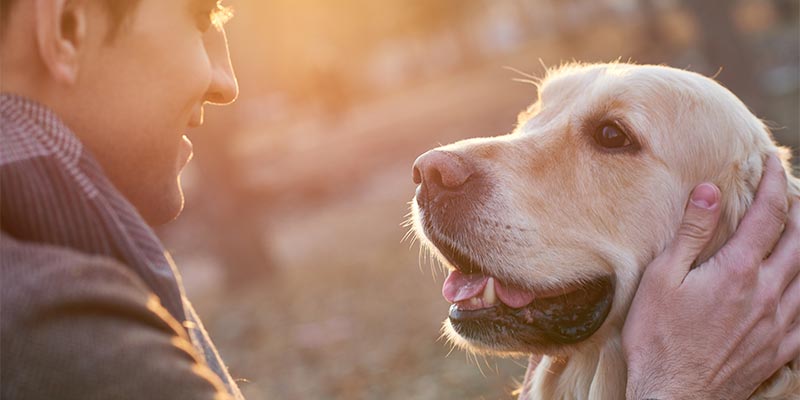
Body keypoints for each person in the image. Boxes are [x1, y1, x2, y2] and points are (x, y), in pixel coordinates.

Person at [0, 1, 796, 399]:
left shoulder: (62, 264)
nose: (227, 80)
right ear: (64, 29)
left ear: (747, 235)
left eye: (610, 138)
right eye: (201, 17)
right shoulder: (51, 323)